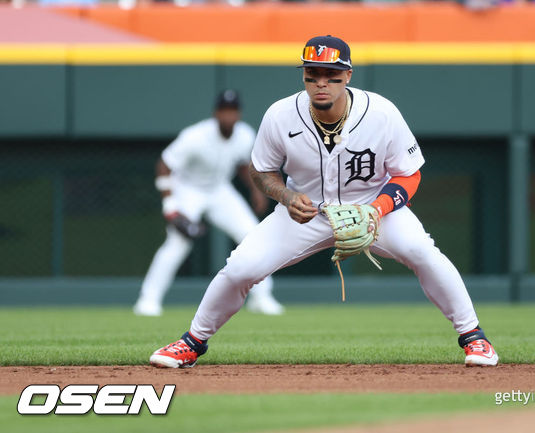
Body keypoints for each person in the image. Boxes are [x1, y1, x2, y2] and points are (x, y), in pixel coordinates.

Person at [148, 35, 498, 368]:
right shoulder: (281, 115)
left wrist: (377, 209)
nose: (321, 83)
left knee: (423, 252)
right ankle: (192, 342)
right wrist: (284, 195)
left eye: (331, 75)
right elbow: (260, 172)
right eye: (312, 75)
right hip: (306, 211)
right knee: (240, 268)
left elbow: (409, 174)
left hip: (372, 207)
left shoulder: (382, 113)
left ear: (347, 75)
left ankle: (474, 337)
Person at [133, 90, 285, 317]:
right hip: (188, 189)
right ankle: (148, 300)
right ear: (216, 113)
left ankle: (262, 298)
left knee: (252, 235)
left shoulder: (244, 135)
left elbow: (244, 165)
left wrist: (257, 192)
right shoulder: (195, 136)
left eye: (233, 111)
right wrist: (170, 205)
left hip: (219, 189)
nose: (228, 116)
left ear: (239, 114)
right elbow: (164, 164)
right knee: (178, 244)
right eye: (224, 111)